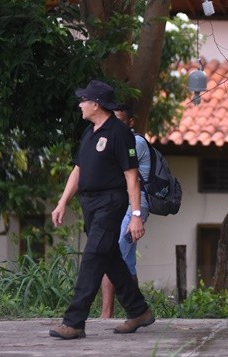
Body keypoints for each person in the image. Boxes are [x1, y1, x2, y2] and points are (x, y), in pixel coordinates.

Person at [49, 80, 154, 339]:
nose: (80, 104)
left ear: (96, 104)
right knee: (110, 258)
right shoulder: (90, 131)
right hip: (90, 204)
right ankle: (138, 310)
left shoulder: (119, 133)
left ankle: (74, 322)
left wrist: (136, 215)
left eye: (84, 100)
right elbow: (78, 169)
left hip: (111, 203)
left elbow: (132, 176)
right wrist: (62, 202)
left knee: (93, 257)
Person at [99, 104, 151, 319]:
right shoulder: (122, 141)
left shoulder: (134, 142)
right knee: (126, 261)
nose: (116, 125)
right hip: (126, 205)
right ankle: (137, 310)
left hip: (134, 205)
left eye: (121, 121)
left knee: (110, 256)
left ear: (130, 123)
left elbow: (115, 173)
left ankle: (106, 313)